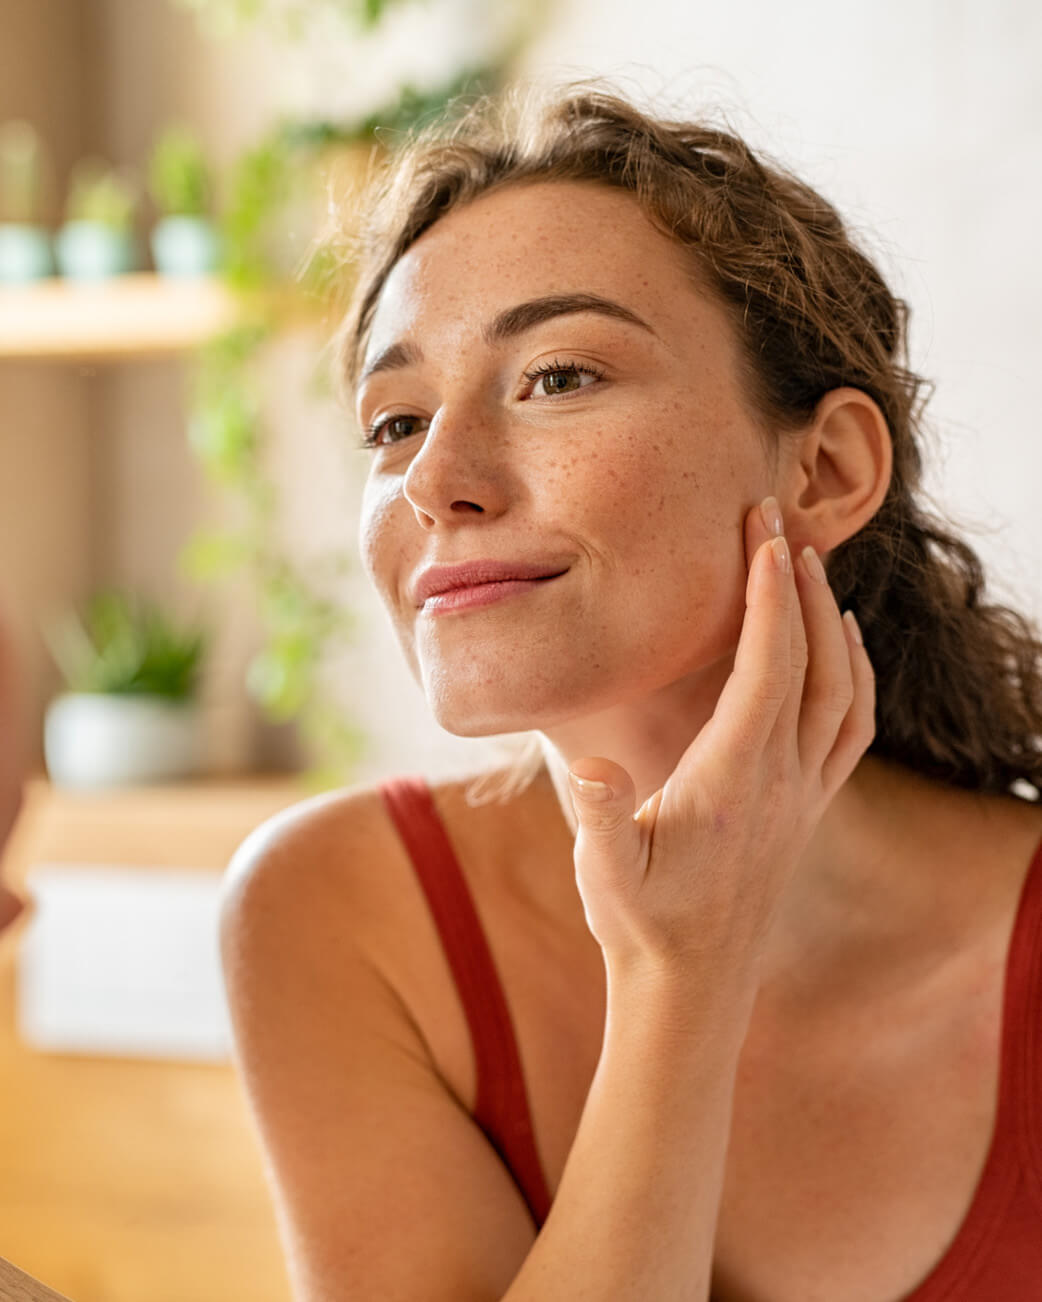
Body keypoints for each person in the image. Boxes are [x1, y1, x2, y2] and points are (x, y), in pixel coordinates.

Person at [219, 85, 1042, 1301]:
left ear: (825, 469)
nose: (435, 479)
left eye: (556, 377)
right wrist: (679, 974)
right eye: (394, 420)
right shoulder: (337, 915)